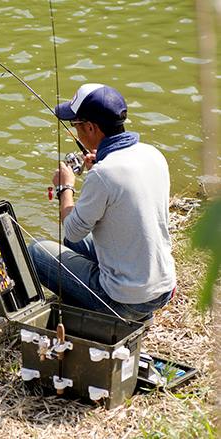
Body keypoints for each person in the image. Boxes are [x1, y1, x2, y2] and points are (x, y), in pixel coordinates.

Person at [28, 83, 176, 323]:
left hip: (124, 301)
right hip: (164, 288)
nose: (76, 131)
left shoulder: (103, 174)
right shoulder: (152, 154)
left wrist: (65, 188)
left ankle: (110, 316)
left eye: (76, 125)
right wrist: (102, 162)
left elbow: (73, 232)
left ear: (90, 126)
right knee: (77, 242)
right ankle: (135, 310)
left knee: (36, 251)